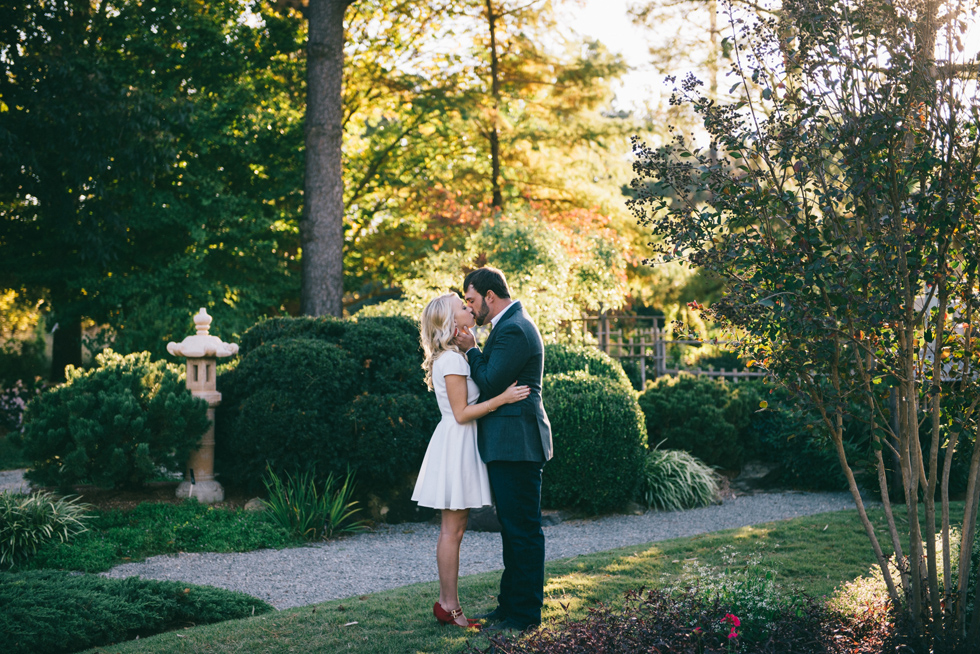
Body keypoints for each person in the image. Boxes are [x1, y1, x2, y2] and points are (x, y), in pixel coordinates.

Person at [412, 292, 531, 628]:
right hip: (456, 443)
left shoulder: (456, 356)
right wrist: (503, 398)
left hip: (461, 443)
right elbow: (462, 413)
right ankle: (449, 606)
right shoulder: (451, 361)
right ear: (451, 322)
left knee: (456, 528)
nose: (469, 308)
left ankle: (449, 605)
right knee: (452, 530)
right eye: (462, 307)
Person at [454, 267, 553, 633]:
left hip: (518, 443)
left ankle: (524, 614)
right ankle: (509, 605)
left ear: (490, 296)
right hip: (511, 443)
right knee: (513, 529)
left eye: (471, 300)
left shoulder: (513, 329)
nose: (470, 307)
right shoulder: (509, 325)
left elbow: (491, 381)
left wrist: (471, 350)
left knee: (522, 530)